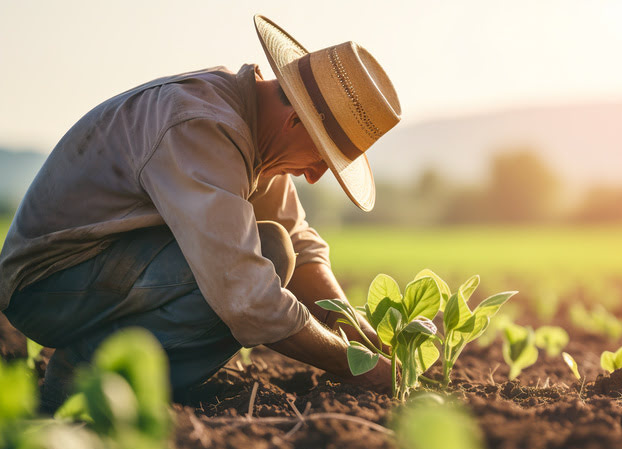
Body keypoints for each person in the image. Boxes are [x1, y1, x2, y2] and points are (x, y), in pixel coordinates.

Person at [0, 15, 402, 409]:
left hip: (97, 271)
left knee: (278, 246)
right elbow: (248, 298)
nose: (314, 176)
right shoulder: (203, 126)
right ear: (296, 121)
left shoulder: (256, 132)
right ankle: (89, 376)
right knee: (264, 258)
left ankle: (129, 373)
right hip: (46, 284)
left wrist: (354, 328)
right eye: (322, 158)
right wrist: (361, 370)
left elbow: (298, 240)